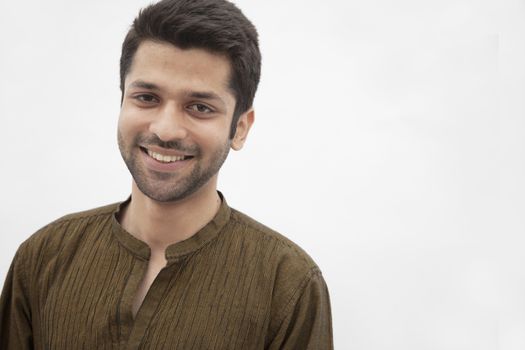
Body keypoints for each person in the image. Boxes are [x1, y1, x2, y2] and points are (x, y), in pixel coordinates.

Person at [0, 0, 333, 348]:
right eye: (146, 97)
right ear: (122, 101)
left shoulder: (288, 285)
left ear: (240, 128)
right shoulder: (43, 258)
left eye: (200, 107)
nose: (166, 129)